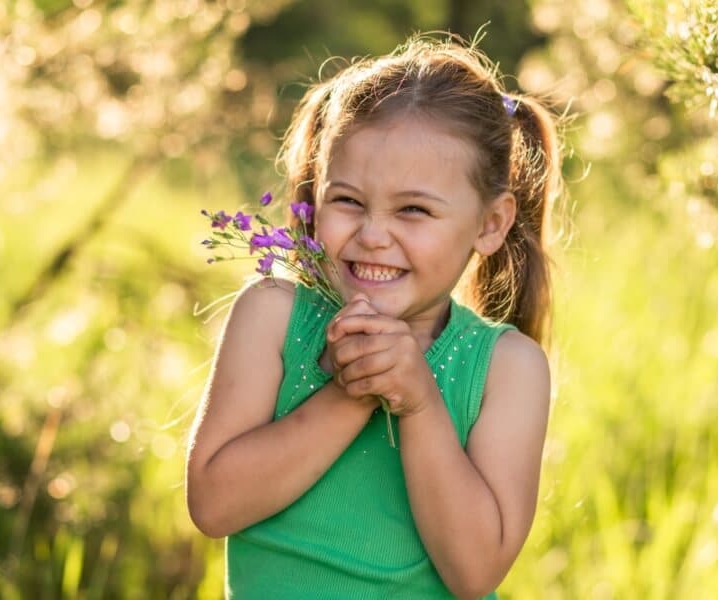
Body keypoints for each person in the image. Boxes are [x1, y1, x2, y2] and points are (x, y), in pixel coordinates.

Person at [186, 31, 560, 599]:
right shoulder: (272, 315)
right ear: (315, 199)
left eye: (413, 210)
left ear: (490, 224)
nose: (373, 235)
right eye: (348, 201)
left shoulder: (507, 367)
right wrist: (349, 392)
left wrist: (418, 400)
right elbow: (213, 506)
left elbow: (475, 572)